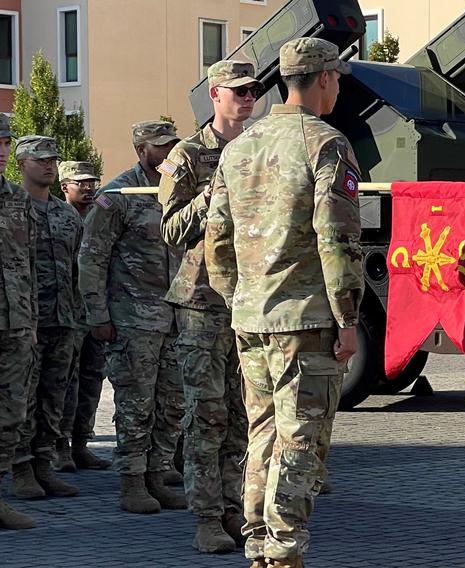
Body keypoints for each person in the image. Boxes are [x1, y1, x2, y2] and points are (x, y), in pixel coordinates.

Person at [205, 37, 363, 568]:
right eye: (337, 77)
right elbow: (336, 238)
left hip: (252, 317)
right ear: (322, 78)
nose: (338, 86)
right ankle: (285, 552)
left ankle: (258, 546)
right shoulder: (326, 143)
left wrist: (238, 301)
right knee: (300, 442)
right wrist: (347, 316)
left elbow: (217, 240)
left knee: (263, 434)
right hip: (307, 320)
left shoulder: (239, 147)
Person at [158, 61, 259, 553]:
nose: (248, 98)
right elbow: (172, 230)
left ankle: (235, 507)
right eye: (238, 91)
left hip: (250, 296)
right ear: (215, 94)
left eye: (254, 90)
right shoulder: (188, 153)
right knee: (206, 413)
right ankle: (206, 516)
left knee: (243, 413)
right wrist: (212, 195)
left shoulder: (258, 150)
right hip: (201, 301)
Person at [79, 120, 186, 514]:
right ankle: (132, 482)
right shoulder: (118, 194)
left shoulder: (179, 189)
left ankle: (158, 476)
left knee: (170, 402)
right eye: (161, 147)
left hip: (174, 316)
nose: (169, 152)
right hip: (132, 318)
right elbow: (91, 256)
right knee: (135, 404)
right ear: (142, 150)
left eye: (173, 145)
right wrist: (97, 313)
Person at [11, 136, 82, 501]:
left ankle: (44, 464)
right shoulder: (13, 208)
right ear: (22, 163)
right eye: (40, 160)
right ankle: (21, 468)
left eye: (53, 159)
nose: (49, 165)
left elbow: (75, 269)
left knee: (55, 397)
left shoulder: (66, 213)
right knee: (23, 398)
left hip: (64, 319)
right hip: (26, 319)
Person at [56, 161, 109, 472]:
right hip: (67, 312)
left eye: (92, 182)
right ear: (65, 186)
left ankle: (81, 444)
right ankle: (59, 446)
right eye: (81, 183)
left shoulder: (101, 214)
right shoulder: (58, 216)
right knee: (66, 381)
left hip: (96, 311)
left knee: (92, 378)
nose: (88, 188)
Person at [0, 116, 39, 530]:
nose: (1, 148)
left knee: (12, 412)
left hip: (15, 322)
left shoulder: (16, 199)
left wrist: (29, 320)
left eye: (6, 141)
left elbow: (26, 263)